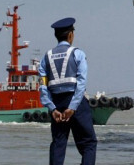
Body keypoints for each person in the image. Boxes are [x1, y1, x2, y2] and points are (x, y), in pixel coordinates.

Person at [39, 17, 97, 165]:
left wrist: (52, 109)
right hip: (75, 102)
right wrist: (72, 107)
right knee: (89, 143)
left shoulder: (47, 57)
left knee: (58, 143)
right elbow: (81, 83)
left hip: (56, 103)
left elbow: (43, 86)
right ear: (71, 35)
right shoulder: (78, 54)